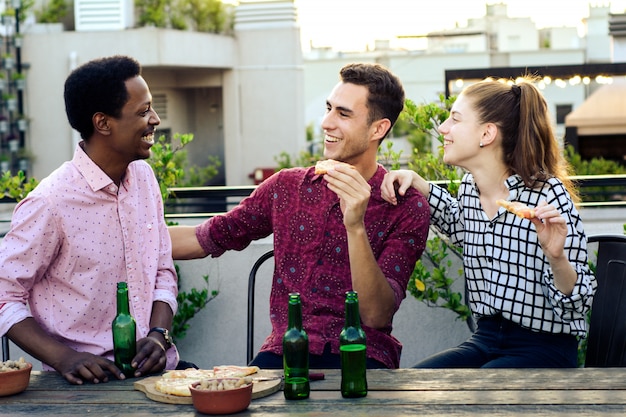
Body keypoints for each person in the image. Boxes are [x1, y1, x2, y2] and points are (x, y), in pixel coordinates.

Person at [169, 63, 430, 369]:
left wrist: (355, 226)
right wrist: (116, 236)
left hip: (363, 357)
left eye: (343, 114)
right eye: (328, 108)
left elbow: (375, 315)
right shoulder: (286, 186)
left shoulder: (406, 206)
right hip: (284, 353)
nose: (326, 123)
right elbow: (207, 237)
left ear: (378, 129)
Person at [381, 76, 596, 368]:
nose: (443, 128)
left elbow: (576, 307)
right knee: (416, 384)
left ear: (487, 134)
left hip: (544, 348)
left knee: (475, 392)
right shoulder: (470, 187)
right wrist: (419, 183)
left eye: (455, 120)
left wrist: (556, 257)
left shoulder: (548, 196)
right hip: (486, 340)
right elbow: (461, 226)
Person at [0, 55, 181, 384]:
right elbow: (4, 295)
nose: (154, 119)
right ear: (103, 123)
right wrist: (64, 358)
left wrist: (158, 335)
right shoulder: (50, 202)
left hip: (157, 376)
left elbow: (163, 272)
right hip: (84, 387)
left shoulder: (144, 178)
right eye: (143, 112)